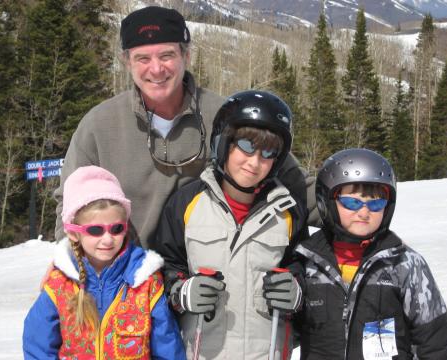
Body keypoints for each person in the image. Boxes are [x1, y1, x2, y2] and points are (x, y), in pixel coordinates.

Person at [53, 5, 318, 249]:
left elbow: (292, 179)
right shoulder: (100, 125)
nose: (156, 69)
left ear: (186, 55)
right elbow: (70, 203)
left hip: (206, 280)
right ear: (127, 62)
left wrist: (350, 199)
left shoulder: (226, 115)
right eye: (143, 58)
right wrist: (70, 269)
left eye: (167, 55)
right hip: (129, 281)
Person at [154, 90, 309, 359]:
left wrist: (296, 292)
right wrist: (181, 292)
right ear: (224, 142)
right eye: (247, 146)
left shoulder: (287, 212)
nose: (255, 161)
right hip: (201, 350)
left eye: (268, 152)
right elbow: (164, 266)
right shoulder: (187, 204)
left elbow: (304, 270)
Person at [267, 148, 447, 359]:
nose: (364, 212)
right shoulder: (306, 262)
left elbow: (433, 344)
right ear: (326, 201)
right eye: (352, 202)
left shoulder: (404, 265)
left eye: (376, 203)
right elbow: (288, 333)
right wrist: (291, 302)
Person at [23, 166, 186, 359]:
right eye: (95, 230)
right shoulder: (60, 284)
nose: (108, 239)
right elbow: (38, 346)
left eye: (116, 228)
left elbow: (167, 345)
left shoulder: (144, 281)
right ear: (73, 232)